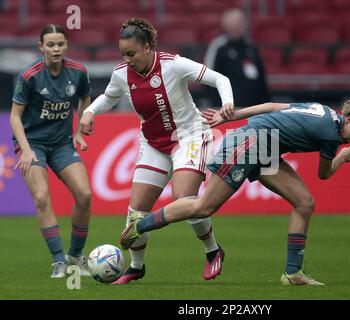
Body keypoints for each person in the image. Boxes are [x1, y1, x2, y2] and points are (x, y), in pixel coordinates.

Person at [120, 92, 350, 285]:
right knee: (203, 206)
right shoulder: (331, 134)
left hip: (264, 148)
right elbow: (324, 174)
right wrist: (340, 158)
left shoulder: (325, 111)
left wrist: (232, 116)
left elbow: (272, 105)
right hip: (251, 145)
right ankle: (139, 225)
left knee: (305, 203)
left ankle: (293, 273)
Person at [79, 18, 235, 284]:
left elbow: (220, 78)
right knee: (136, 211)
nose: (127, 59)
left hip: (190, 137)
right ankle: (136, 267)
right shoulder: (121, 74)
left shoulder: (174, 65)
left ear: (148, 47)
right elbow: (109, 96)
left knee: (184, 198)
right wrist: (90, 111)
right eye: (123, 54)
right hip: (153, 143)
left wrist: (228, 102)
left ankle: (212, 250)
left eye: (131, 53)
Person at [9, 24, 92, 278]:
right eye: (51, 44)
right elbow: (14, 117)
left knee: (85, 194)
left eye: (60, 44)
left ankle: (75, 257)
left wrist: (79, 130)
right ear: (41, 47)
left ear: (66, 45)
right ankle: (59, 261)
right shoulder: (29, 76)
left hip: (62, 143)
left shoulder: (78, 72)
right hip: (32, 144)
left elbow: (85, 99)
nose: (56, 49)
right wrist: (25, 150)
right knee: (42, 198)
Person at [204, 8, 270, 108]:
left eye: (243, 22)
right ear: (227, 25)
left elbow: (261, 77)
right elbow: (208, 77)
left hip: (254, 107)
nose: (244, 25)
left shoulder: (250, 46)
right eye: (239, 22)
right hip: (228, 108)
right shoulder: (218, 47)